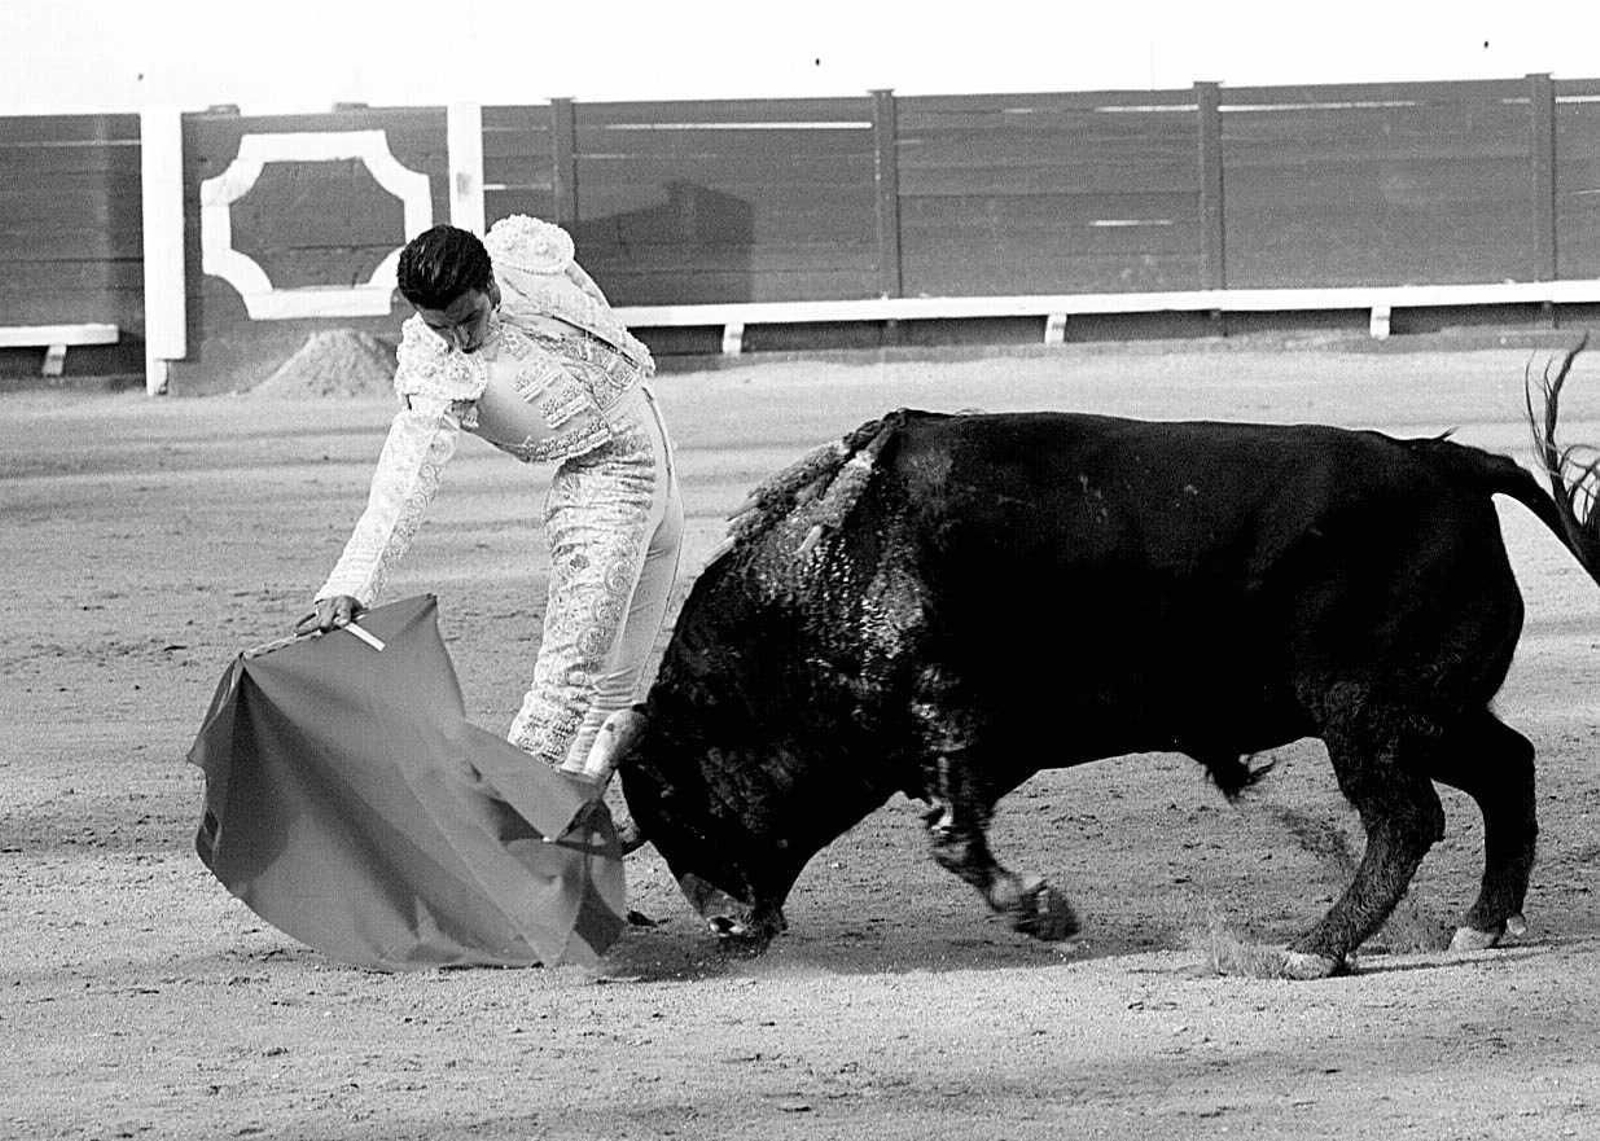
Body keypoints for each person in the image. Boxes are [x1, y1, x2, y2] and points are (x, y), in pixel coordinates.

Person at [295, 215, 683, 776]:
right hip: (604, 489)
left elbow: (591, 305)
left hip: (659, 453)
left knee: (616, 685)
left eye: (469, 318)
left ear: (491, 285)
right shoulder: (436, 370)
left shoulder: (525, 254)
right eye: (439, 327)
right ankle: (504, 826)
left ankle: (561, 831)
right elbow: (405, 477)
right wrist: (353, 580)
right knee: (568, 681)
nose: (459, 340)